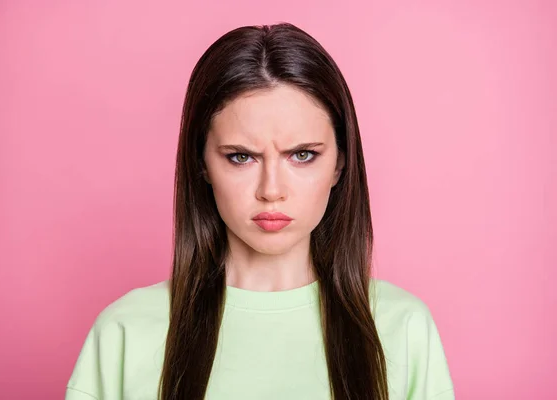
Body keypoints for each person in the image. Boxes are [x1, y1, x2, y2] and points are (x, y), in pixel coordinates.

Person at [65, 22, 454, 400]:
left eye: (302, 155)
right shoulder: (125, 332)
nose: (271, 191)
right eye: (240, 157)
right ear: (201, 163)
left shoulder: (403, 330)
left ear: (340, 164)